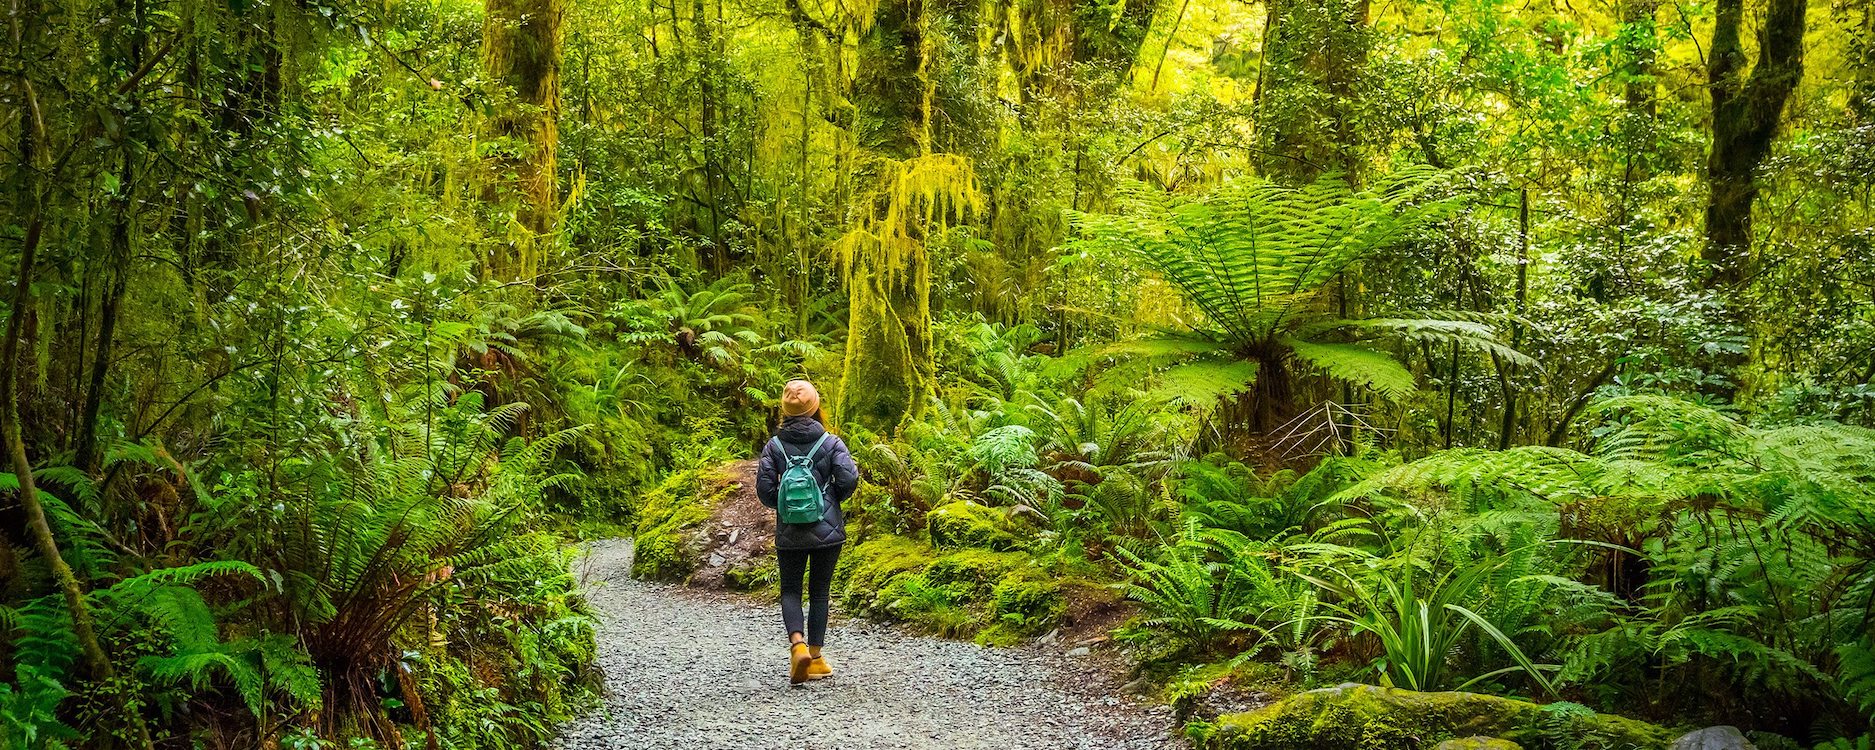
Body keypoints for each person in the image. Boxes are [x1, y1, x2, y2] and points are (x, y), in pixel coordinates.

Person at [754, 379, 858, 685]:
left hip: (790, 532)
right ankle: (815, 657)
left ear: (785, 410)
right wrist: (831, 500)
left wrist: (785, 507)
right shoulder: (831, 441)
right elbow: (848, 479)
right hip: (828, 531)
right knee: (820, 592)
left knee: (790, 590)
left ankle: (796, 645)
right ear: (815, 407)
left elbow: (764, 489)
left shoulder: (774, 445)